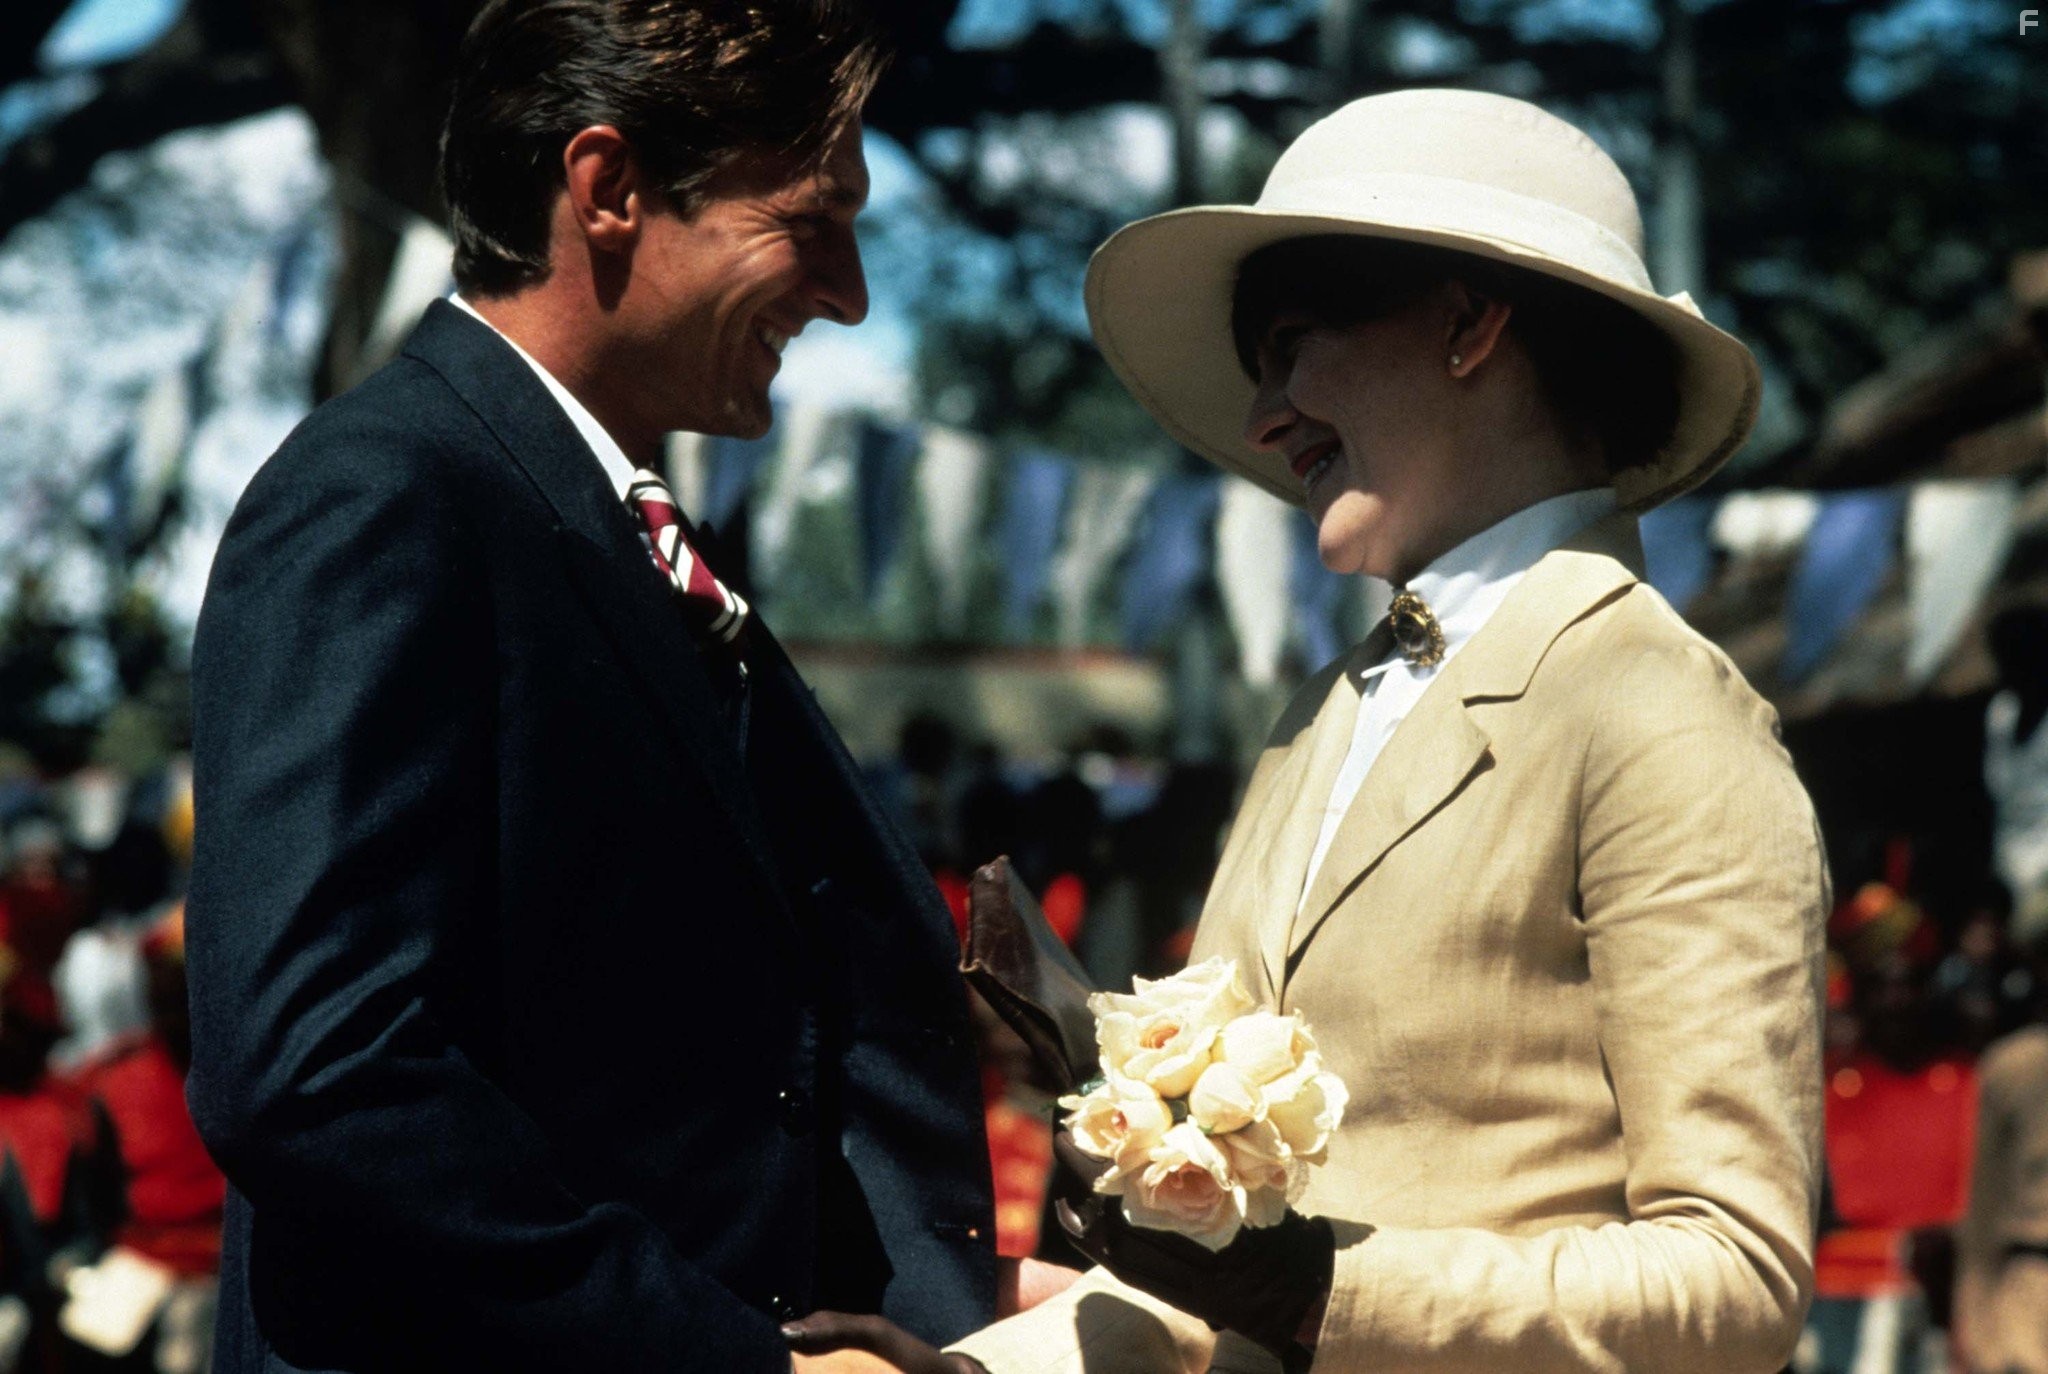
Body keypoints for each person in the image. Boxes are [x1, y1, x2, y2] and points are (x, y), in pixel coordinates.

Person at [801, 88, 1830, 1374]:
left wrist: (1317, 1292)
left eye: (1291, 345)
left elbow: (1734, 1281)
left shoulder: (1658, 707)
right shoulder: (1319, 715)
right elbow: (1213, 1278)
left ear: (1468, 326)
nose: (1264, 417)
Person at [182, 3, 998, 1370]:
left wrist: (951, 1305)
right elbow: (318, 1074)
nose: (850, 292)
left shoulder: (602, 526)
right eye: (811, 219)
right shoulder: (386, 494)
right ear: (610, 190)